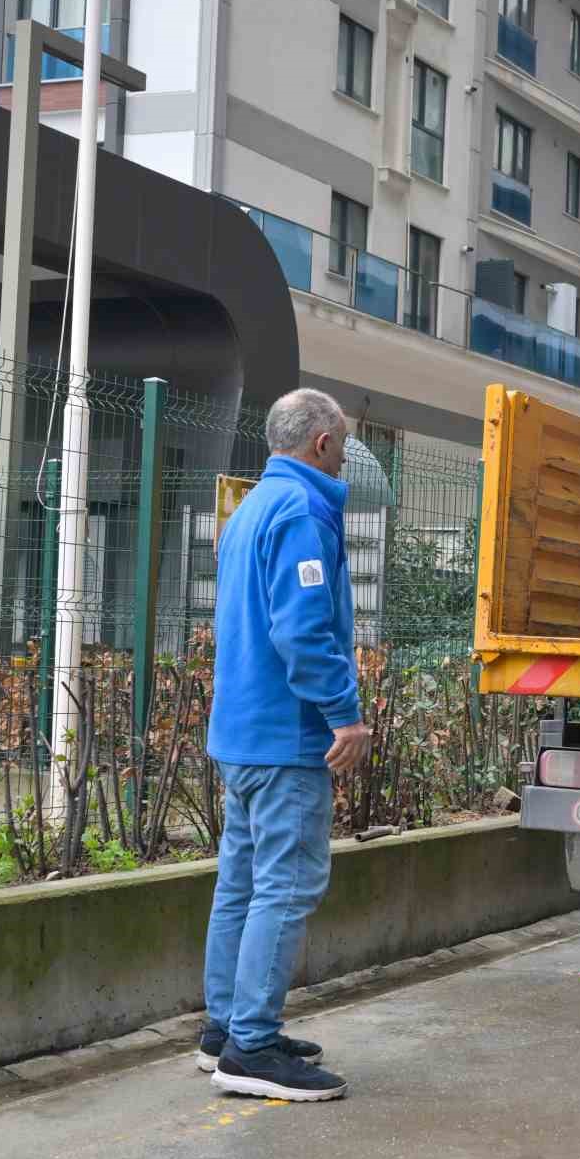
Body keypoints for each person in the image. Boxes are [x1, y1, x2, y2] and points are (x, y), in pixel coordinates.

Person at [199, 389, 372, 1102]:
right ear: (324, 443)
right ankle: (253, 1048)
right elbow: (303, 633)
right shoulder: (303, 512)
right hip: (286, 737)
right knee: (287, 884)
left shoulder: (251, 510)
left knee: (240, 883)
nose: (347, 457)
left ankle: (225, 1029)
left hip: (240, 735)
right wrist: (346, 716)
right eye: (346, 443)